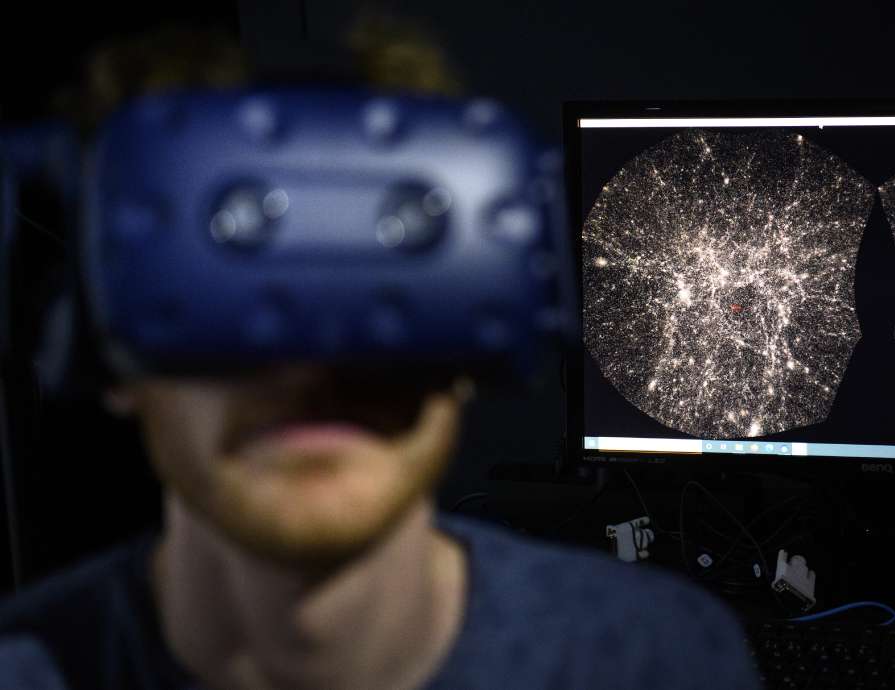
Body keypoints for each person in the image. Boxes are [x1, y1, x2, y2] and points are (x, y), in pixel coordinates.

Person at [0, 17, 762, 690]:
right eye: (224, 280)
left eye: (390, 255)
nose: (313, 358)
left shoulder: (655, 663)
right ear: (97, 330)